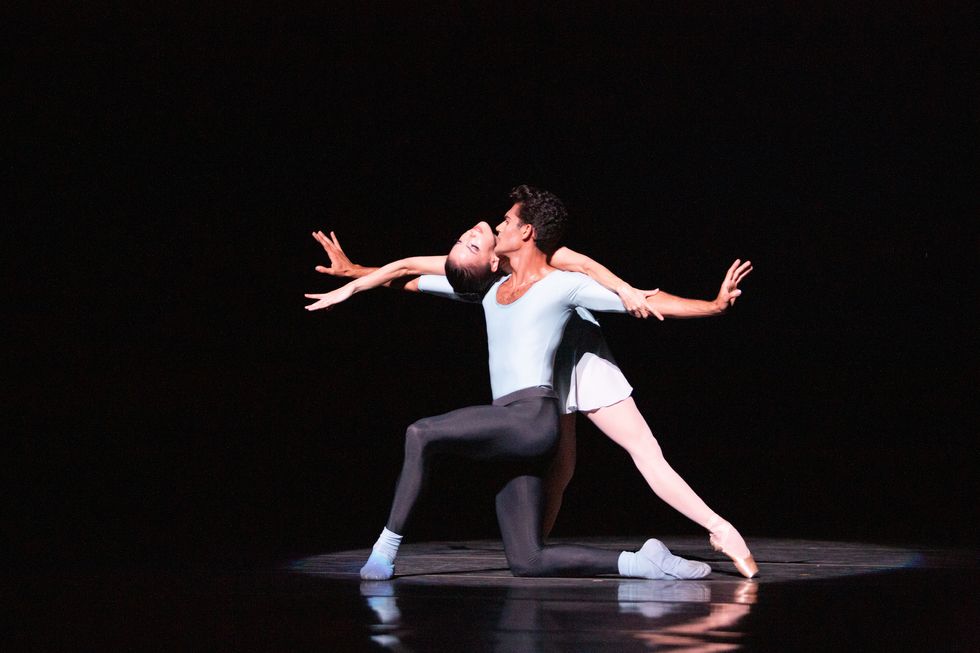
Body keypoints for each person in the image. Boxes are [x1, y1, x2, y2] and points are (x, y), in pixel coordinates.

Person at [307, 194, 758, 578]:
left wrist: (712, 307)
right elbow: (412, 273)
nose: (495, 225)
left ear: (523, 234)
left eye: (504, 222)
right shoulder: (484, 286)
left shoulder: (560, 283)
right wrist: (354, 275)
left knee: (422, 432)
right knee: (527, 559)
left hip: (541, 405)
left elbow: (638, 296)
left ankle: (385, 550)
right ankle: (642, 562)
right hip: (514, 422)